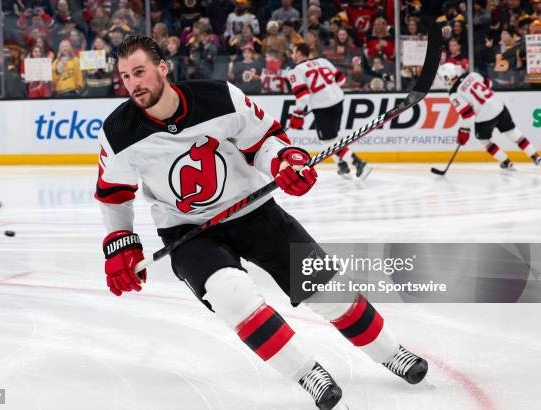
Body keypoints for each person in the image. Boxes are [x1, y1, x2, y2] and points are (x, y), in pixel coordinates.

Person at [95, 35, 428, 410]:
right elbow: (114, 194)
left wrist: (283, 163)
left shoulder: (220, 96)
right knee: (231, 295)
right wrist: (121, 243)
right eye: (125, 77)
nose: (133, 84)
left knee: (327, 288)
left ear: (162, 67)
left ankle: (391, 352)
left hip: (254, 212)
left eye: (139, 72)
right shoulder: (118, 132)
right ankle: (307, 373)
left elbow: (264, 141)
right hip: (188, 233)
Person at [287, 42, 372, 179]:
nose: (292, 55)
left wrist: (298, 115)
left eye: (293, 52)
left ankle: (358, 163)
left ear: (298, 53)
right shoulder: (323, 61)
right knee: (332, 137)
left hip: (322, 107)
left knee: (328, 141)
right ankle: (342, 166)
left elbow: (303, 97)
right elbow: (341, 80)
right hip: (338, 100)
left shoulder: (295, 70)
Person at [438, 62, 540, 169]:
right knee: (513, 133)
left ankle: (506, 162)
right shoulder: (472, 75)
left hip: (484, 118)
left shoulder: (454, 93)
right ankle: (535, 156)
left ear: (447, 77)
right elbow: (489, 84)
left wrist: (464, 132)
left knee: (484, 141)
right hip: (499, 107)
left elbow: (469, 116)